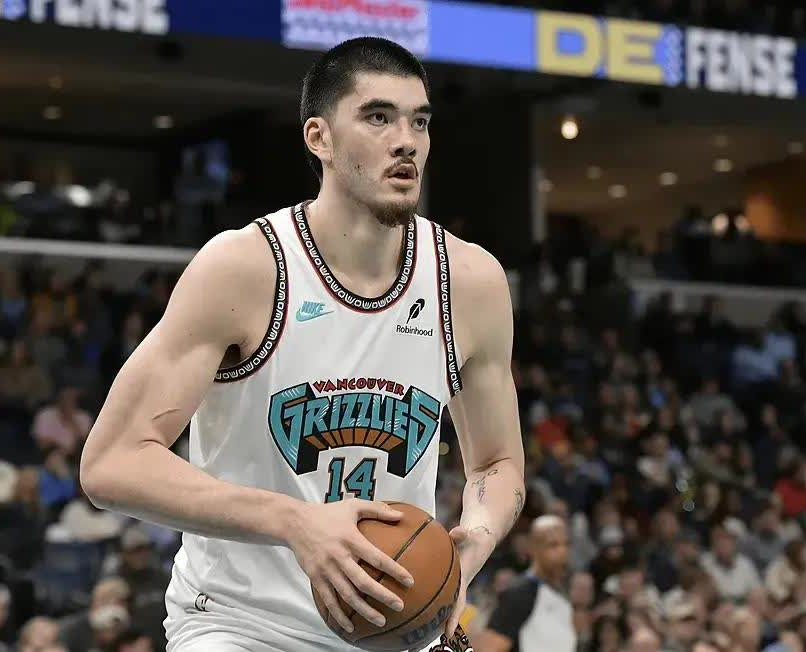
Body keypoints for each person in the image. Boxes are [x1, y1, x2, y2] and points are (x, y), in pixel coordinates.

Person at [80, 37, 524, 652]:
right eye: (378, 117)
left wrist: (475, 537)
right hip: (239, 623)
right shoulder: (244, 267)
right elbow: (112, 463)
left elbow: (498, 463)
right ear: (320, 138)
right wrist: (295, 522)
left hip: (393, 624)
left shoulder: (471, 281)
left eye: (419, 122)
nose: (406, 141)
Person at [476, 515, 575, 652]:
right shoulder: (519, 594)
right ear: (533, 548)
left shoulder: (563, 594)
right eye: (553, 545)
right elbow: (487, 648)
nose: (562, 552)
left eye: (566, 544)